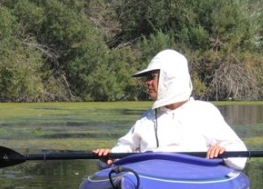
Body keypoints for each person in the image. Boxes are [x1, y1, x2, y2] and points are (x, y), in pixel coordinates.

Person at [94, 49, 247, 170]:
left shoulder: (204, 112)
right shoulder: (146, 120)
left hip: (194, 177)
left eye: (151, 77)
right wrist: (109, 156)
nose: (147, 83)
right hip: (151, 178)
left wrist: (222, 151)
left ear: (170, 78)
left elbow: (239, 156)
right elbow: (123, 149)